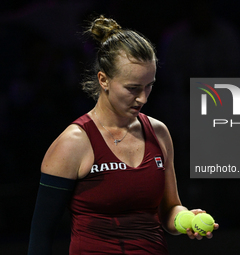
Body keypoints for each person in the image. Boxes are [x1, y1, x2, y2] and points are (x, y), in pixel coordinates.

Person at [28, 15, 218, 254]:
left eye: (149, 85)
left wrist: (186, 219)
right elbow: (40, 238)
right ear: (104, 80)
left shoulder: (158, 132)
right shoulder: (72, 143)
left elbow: (169, 210)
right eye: (132, 88)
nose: (143, 98)